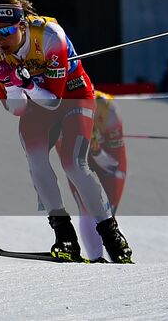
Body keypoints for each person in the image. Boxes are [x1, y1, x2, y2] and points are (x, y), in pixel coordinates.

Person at [0, 0, 133, 263]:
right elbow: (16, 110)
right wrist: (12, 85)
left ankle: (111, 235)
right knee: (36, 160)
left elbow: (54, 100)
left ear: (23, 26)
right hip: (34, 103)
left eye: (7, 31)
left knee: (74, 164)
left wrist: (26, 84)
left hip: (72, 94)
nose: (0, 40)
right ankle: (64, 234)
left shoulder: (51, 37)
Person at [67, 90, 126, 262]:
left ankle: (116, 256)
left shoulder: (109, 110)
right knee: (85, 209)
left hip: (109, 165)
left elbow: (113, 164)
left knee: (106, 214)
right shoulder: (62, 108)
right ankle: (96, 259)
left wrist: (97, 150)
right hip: (81, 158)